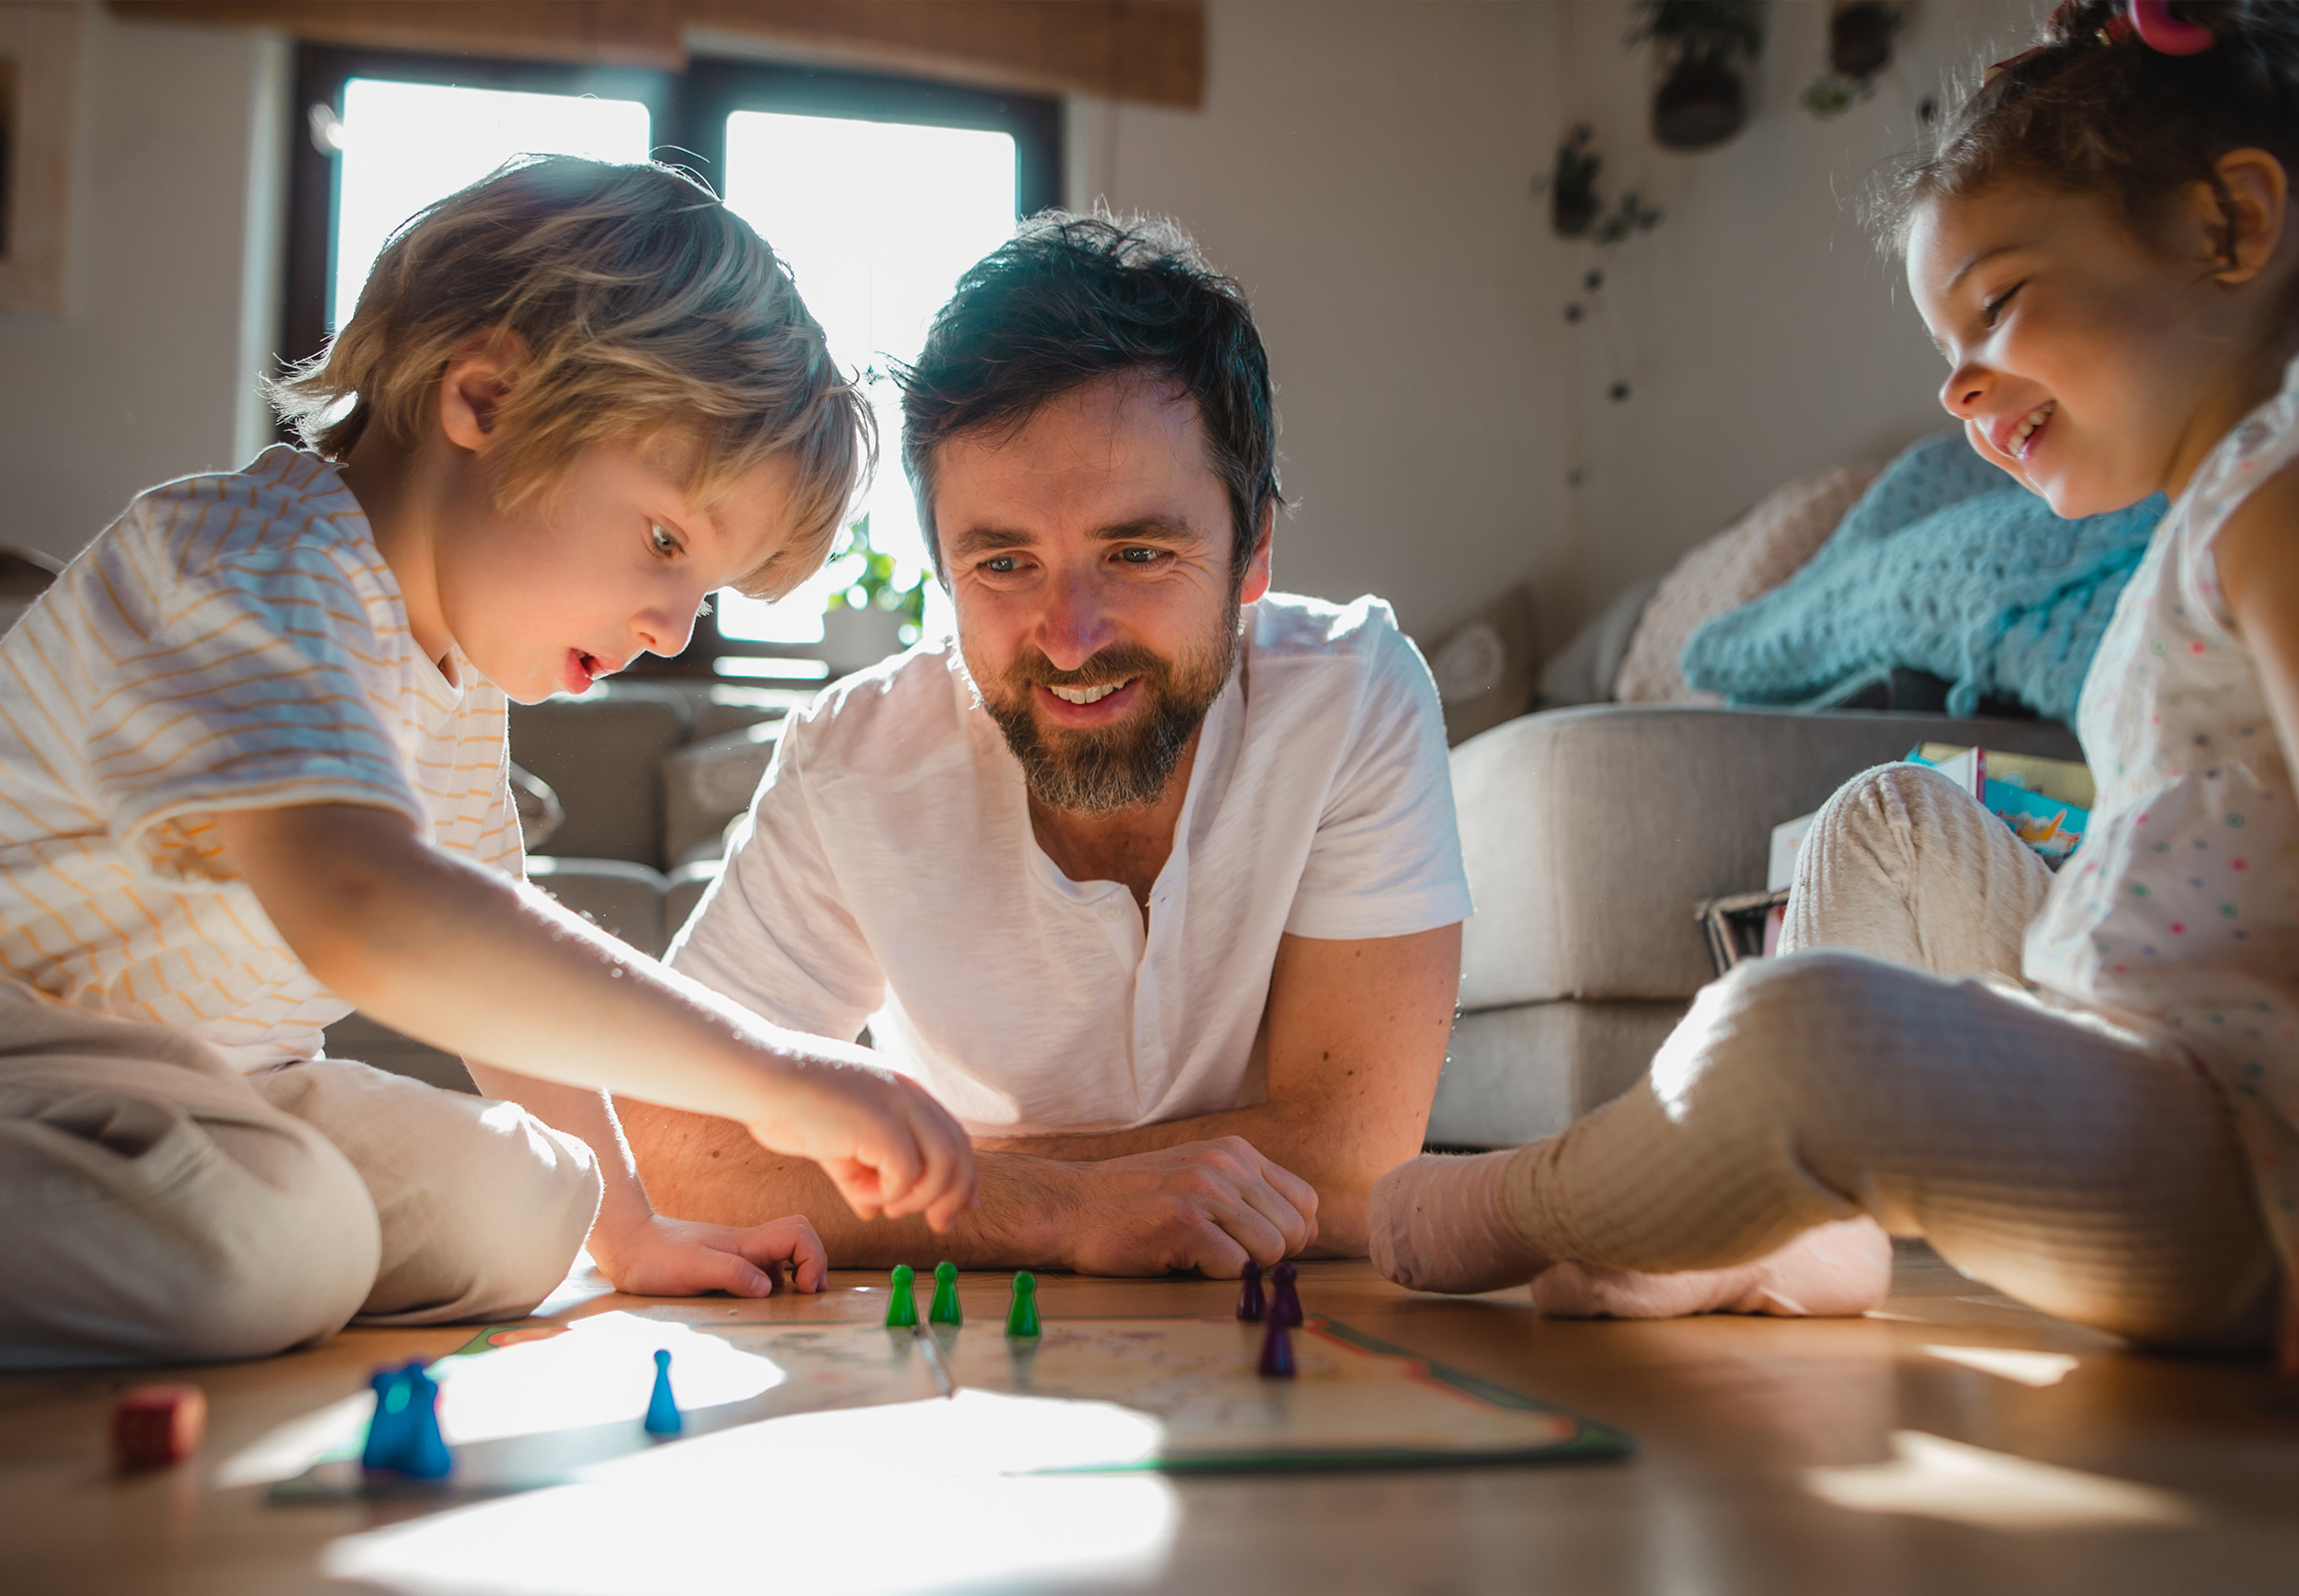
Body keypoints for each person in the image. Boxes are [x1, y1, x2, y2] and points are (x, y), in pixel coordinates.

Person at [0, 158, 975, 1375]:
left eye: (704, 588)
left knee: (534, 1205)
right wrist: (768, 1073)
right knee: (271, 1243)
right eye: (665, 540)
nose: (673, 628)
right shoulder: (251, 565)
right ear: (485, 399)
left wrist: (626, 1229)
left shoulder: (450, 671)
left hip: (181, 1079)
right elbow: (368, 907)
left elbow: (496, 947)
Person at [1367, 0, 2299, 1359]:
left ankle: (1542, 1199)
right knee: (1890, 821)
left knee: (1798, 1030)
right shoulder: (2215, 508)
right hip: (2151, 1049)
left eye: (1999, 305)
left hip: (2239, 1156)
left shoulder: (2279, 494)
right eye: (1945, 351)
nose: (1959, 390)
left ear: (2231, 225)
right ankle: (1797, 1231)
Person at [627, 214, 1471, 1277]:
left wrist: (957, 1187)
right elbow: (669, 1136)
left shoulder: (1352, 696)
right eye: (1003, 564)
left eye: (1135, 551)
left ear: (1252, 545)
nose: (1069, 637)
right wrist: (1051, 1207)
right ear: (940, 569)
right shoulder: (850, 762)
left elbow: (1350, 1156)